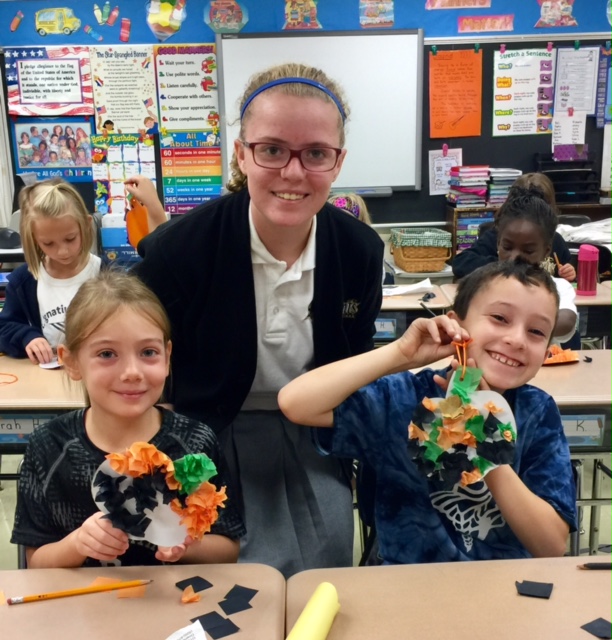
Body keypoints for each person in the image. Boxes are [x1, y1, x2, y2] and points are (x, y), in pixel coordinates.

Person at [134, 62, 384, 578]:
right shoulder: (178, 251)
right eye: (271, 150)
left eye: (316, 153)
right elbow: (139, 357)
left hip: (312, 430)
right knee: (222, 577)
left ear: (338, 162)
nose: (293, 173)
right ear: (241, 154)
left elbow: (356, 364)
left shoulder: (359, 250)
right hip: (207, 430)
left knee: (324, 566)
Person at [279, 259, 576, 565]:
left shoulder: (537, 412)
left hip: (504, 582)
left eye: (536, 331)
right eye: (500, 318)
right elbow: (295, 402)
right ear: (455, 324)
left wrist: (487, 446)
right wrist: (400, 354)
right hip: (406, 581)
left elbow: (551, 546)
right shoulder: (403, 398)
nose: (517, 339)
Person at [11, 271, 244, 568]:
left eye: (148, 352)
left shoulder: (195, 443)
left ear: (167, 356)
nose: (132, 372)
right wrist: (77, 543)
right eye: (107, 354)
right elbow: (36, 563)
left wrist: (187, 544)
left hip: (173, 595)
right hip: (81, 597)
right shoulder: (50, 447)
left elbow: (228, 549)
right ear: (71, 362)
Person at [454, 186, 578, 346]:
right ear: (498, 243)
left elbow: (567, 322)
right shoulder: (481, 283)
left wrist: (516, 323)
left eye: (528, 251)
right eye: (507, 247)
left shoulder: (557, 288)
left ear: (546, 251)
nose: (514, 257)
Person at [0, 179, 101, 364]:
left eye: (70, 239)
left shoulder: (107, 274)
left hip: (99, 372)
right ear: (33, 238)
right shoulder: (23, 281)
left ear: (86, 225)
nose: (63, 251)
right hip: (48, 376)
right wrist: (28, 337)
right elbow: (4, 327)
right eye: (48, 243)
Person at [452, 173, 576, 282]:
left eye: (528, 251)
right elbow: (461, 263)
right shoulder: (496, 236)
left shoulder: (556, 241)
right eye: (507, 247)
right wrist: (502, 265)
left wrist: (569, 273)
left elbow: (568, 272)